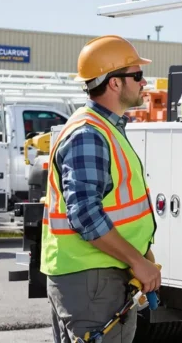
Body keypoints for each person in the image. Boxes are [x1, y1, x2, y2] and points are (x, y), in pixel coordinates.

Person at [42, 35, 161, 343]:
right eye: (136, 75)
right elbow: (85, 215)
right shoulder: (89, 134)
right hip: (92, 279)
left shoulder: (104, 129)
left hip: (98, 277)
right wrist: (137, 261)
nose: (144, 82)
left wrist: (142, 256)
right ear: (114, 83)